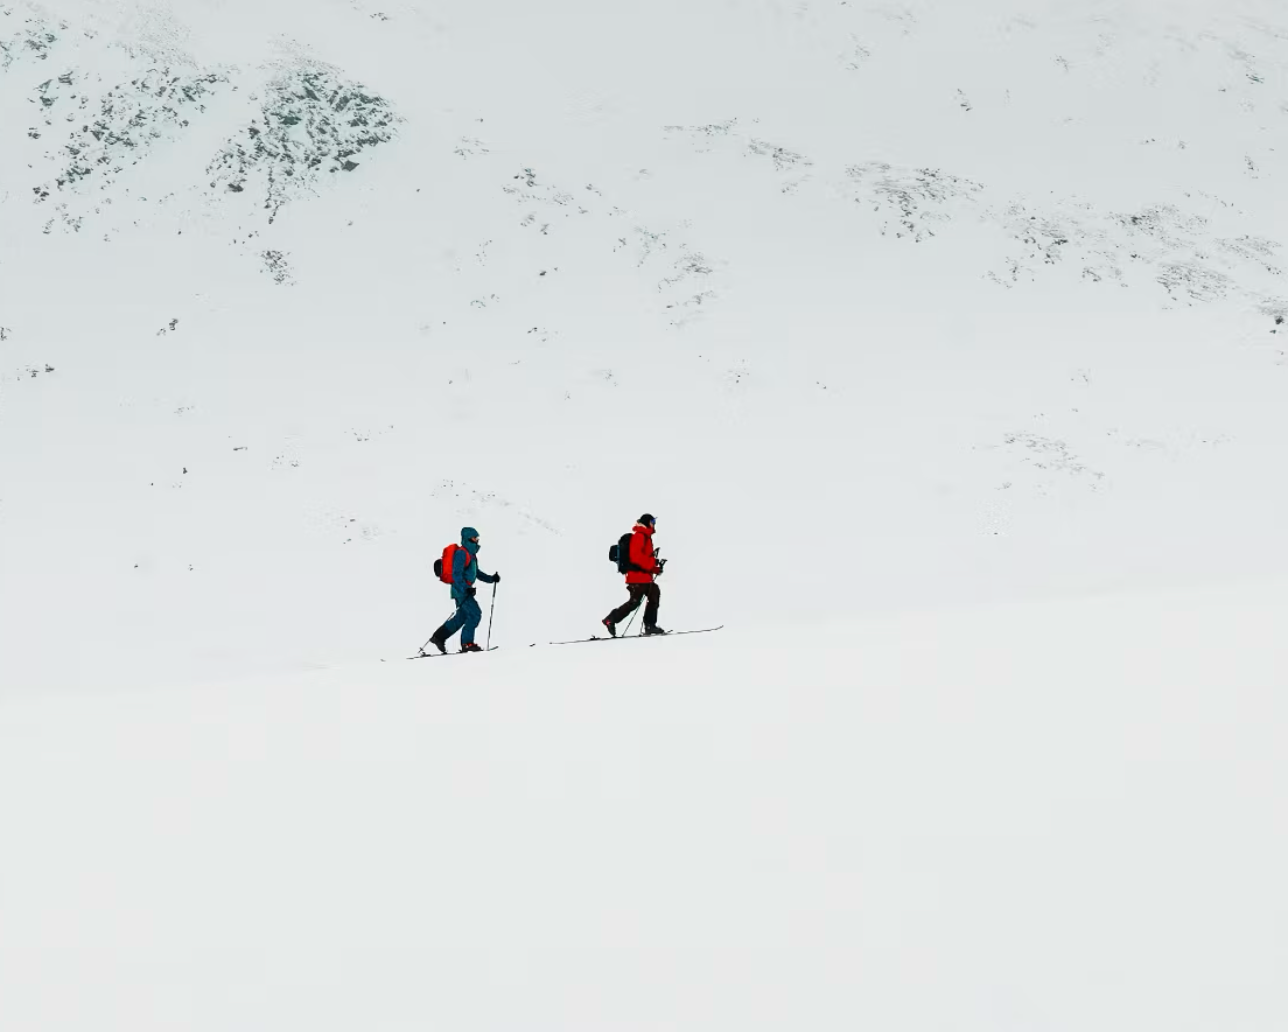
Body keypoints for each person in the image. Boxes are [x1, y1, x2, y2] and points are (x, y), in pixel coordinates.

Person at [428, 526, 500, 653]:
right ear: (468, 539)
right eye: (474, 538)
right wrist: (465, 589)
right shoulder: (462, 553)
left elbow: (476, 572)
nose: (476, 540)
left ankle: (439, 637)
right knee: (474, 614)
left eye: (477, 538)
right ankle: (467, 644)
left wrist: (491, 579)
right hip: (461, 590)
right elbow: (456, 574)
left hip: (462, 590)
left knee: (461, 617)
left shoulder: (471, 555)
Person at [603, 513, 667, 637]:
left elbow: (645, 561)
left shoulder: (645, 537)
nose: (654, 524)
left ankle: (649, 625)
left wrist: (655, 569)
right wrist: (652, 563)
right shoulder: (640, 536)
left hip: (642, 577)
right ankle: (611, 619)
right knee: (635, 602)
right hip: (636, 577)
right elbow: (636, 558)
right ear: (647, 522)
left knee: (653, 594)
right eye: (652, 521)